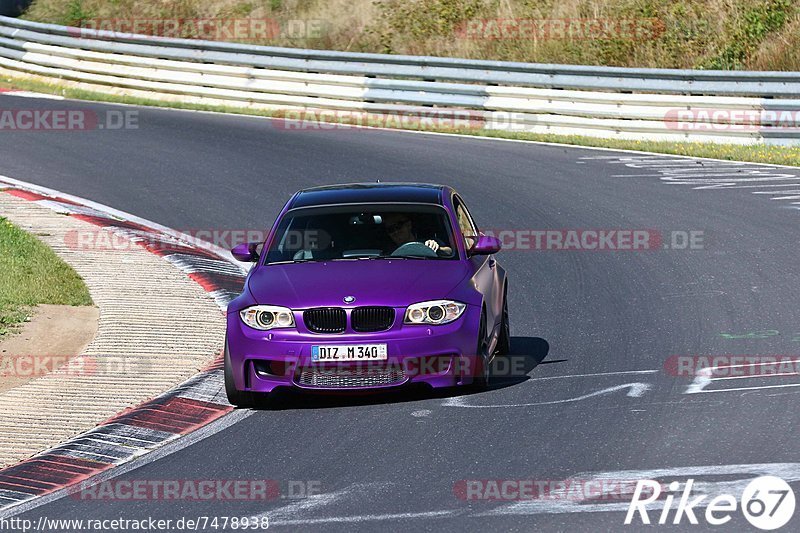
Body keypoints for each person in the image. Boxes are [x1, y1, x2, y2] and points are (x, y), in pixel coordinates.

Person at [382, 213, 453, 256]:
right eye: (391, 229)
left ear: (408, 225)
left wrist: (437, 249)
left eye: (398, 226)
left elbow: (450, 252)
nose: (396, 232)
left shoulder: (428, 243)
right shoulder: (387, 254)